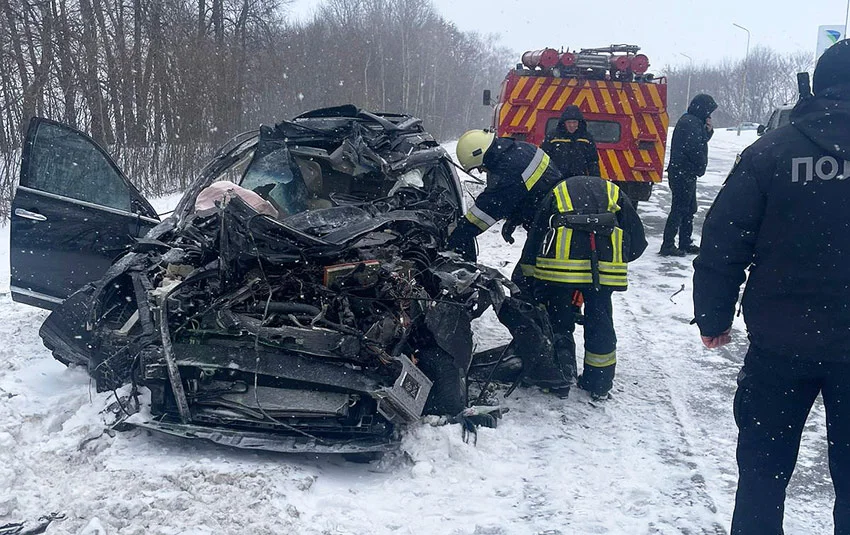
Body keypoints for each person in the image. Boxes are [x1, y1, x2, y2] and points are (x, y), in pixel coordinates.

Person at [693, 39, 850, 535]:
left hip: (782, 344)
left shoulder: (773, 150)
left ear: (817, 85)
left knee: (762, 474)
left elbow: (723, 239)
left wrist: (715, 316)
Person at [449, 130, 569, 393]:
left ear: (482, 154)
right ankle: (548, 350)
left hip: (553, 229)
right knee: (535, 286)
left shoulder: (508, 169)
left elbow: (487, 209)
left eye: (480, 167)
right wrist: (515, 218)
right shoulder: (518, 150)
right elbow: (533, 188)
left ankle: (543, 361)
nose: (481, 172)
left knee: (523, 286)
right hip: (553, 221)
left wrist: (458, 235)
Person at [522, 175, 646, 400]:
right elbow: (638, 239)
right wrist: (616, 256)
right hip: (604, 270)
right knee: (600, 320)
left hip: (559, 270)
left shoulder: (557, 192)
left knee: (559, 318)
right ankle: (598, 383)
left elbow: (537, 234)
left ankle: (559, 375)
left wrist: (529, 275)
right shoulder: (614, 192)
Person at [659, 93, 717, 257]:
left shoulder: (692, 121)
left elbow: (700, 141)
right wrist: (700, 166)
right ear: (702, 108)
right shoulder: (690, 123)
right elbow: (695, 148)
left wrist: (708, 131)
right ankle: (668, 244)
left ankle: (685, 242)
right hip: (683, 172)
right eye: (709, 111)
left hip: (684, 171)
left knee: (689, 208)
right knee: (680, 209)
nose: (709, 115)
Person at [541, 105, 600, 178]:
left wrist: (595, 180)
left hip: (579, 180)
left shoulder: (587, 138)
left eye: (574, 122)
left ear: (579, 123)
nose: (572, 125)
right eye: (569, 122)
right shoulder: (552, 138)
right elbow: (543, 160)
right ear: (564, 123)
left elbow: (593, 162)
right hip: (556, 179)